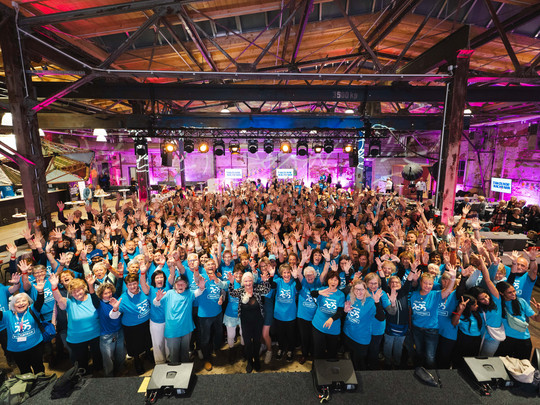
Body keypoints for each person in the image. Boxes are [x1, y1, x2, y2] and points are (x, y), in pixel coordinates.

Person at [50, 273, 102, 374]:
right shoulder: (69, 302)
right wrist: (54, 287)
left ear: (84, 288)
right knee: (82, 364)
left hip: (95, 335)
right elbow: (60, 300)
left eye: (79, 290)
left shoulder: (92, 297)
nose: (77, 293)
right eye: (73, 292)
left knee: (98, 359)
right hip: (77, 339)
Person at [154, 275, 205, 364]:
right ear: (175, 285)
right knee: (174, 354)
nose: (180, 286)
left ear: (186, 285)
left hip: (187, 329)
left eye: (183, 284)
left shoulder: (189, 293)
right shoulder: (169, 293)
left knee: (185, 352)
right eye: (178, 284)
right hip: (172, 330)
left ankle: (185, 371)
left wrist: (201, 287)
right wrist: (157, 299)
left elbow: (199, 292)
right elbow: (157, 303)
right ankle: (175, 371)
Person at [0, 274, 45, 374]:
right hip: (17, 350)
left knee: (39, 369)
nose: (21, 303)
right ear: (13, 305)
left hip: (35, 346)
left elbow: (40, 302)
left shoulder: (32, 310)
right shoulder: (7, 315)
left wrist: (40, 291)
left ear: (28, 303)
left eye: (24, 301)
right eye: (17, 302)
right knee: (25, 372)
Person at [228, 271, 271, 373]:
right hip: (245, 322)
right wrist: (231, 282)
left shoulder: (257, 288)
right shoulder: (241, 291)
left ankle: (256, 359)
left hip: (258, 321)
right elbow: (232, 293)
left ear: (253, 281)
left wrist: (266, 281)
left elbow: (267, 290)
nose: (248, 283)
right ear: (243, 282)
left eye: (250, 280)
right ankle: (249, 362)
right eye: (246, 281)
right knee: (247, 343)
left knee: (256, 342)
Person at [109, 273, 152, 375]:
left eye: (134, 283)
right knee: (135, 347)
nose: (132, 286)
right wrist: (115, 308)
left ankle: (148, 354)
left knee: (147, 341)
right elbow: (113, 316)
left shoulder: (143, 289)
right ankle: (137, 362)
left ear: (138, 283)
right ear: (126, 285)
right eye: (129, 284)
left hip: (146, 322)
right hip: (132, 327)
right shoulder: (123, 298)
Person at [344, 279, 384, 370]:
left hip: (361, 338)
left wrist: (377, 303)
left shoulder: (371, 301)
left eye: (361, 289)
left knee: (359, 363)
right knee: (350, 359)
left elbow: (381, 318)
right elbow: (346, 315)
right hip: (348, 334)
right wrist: (345, 311)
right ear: (353, 290)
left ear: (365, 290)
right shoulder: (349, 297)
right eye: (357, 289)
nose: (359, 292)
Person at [496, 282, 540, 360]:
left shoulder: (521, 301)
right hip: (506, 340)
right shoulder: (499, 304)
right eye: (510, 292)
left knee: (523, 367)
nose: (513, 294)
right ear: (502, 293)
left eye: (514, 291)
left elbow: (536, 319)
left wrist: (539, 311)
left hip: (524, 340)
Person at [310, 271, 345, 360]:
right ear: (327, 280)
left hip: (333, 329)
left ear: (338, 282)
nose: (333, 282)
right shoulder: (323, 289)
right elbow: (312, 293)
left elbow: (340, 312)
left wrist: (331, 319)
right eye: (331, 279)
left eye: (336, 280)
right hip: (318, 326)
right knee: (318, 352)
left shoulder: (341, 295)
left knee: (332, 352)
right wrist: (319, 293)